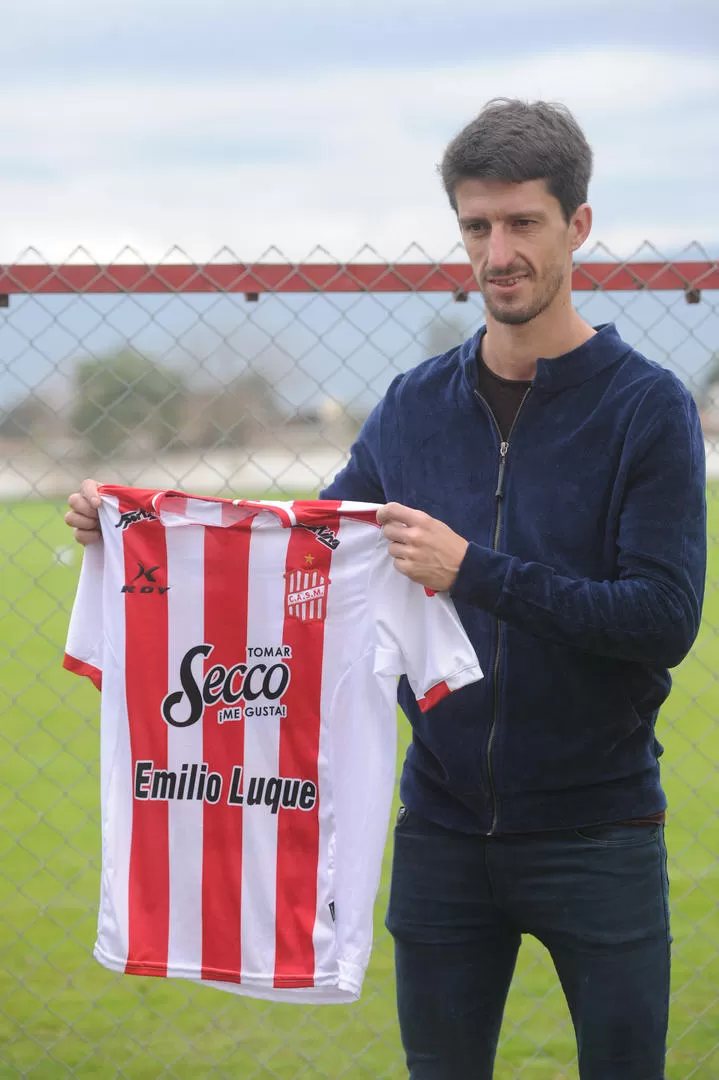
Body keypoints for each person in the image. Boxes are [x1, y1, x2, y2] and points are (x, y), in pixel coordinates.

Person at [66, 98, 706, 1079]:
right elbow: (302, 557)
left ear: (576, 226)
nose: (497, 250)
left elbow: (660, 620)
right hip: (441, 830)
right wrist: (133, 530)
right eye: (475, 225)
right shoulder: (413, 405)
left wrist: (472, 573)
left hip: (598, 828)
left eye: (521, 222)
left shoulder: (644, 407)